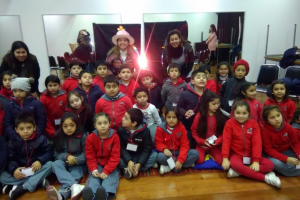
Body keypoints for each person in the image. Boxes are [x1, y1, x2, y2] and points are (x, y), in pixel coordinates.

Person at [222, 101, 281, 188]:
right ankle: (266, 178)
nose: (241, 116)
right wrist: (225, 158)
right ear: (233, 112)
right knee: (236, 164)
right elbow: (226, 141)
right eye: (238, 113)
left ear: (249, 113)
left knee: (270, 165)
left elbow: (257, 143)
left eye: (244, 113)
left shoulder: (253, 124)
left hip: (251, 155)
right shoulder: (229, 123)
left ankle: (240, 172)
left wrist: (256, 161)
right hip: (236, 155)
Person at [0, 112, 53, 199]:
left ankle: (22, 187)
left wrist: (39, 160)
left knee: (51, 165)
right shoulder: (12, 141)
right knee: (2, 177)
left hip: (36, 169)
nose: (25, 131)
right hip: (22, 171)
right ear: (16, 130)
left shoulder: (41, 138)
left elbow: (49, 152)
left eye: (29, 128)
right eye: (21, 129)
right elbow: (10, 159)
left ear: (34, 127)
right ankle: (38, 181)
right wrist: (14, 170)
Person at [46, 113, 87, 200]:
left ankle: (61, 196)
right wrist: (67, 156)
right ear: (61, 126)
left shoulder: (83, 135)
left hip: (78, 163)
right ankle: (74, 185)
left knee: (75, 175)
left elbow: (87, 153)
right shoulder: (58, 136)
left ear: (77, 125)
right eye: (65, 126)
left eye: (72, 125)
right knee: (55, 164)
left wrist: (76, 160)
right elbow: (57, 154)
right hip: (65, 161)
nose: (69, 128)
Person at [83, 113, 120, 200]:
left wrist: (106, 171)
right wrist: (93, 169)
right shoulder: (90, 138)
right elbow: (90, 156)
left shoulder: (115, 137)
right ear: (95, 125)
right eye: (99, 123)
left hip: (110, 165)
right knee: (94, 178)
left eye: (105, 123)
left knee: (110, 179)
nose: (103, 126)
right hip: (96, 164)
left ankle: (105, 195)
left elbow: (115, 156)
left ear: (109, 124)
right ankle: (91, 195)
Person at [155, 108, 199, 174]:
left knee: (195, 153)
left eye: (174, 117)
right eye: (169, 117)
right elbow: (158, 142)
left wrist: (180, 160)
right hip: (168, 153)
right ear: (165, 117)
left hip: (179, 151)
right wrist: (164, 149)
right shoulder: (160, 128)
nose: (171, 120)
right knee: (160, 157)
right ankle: (180, 167)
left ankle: (169, 167)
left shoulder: (182, 128)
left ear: (178, 118)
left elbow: (184, 145)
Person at [117, 108, 158, 179]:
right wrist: (129, 160)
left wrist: (139, 164)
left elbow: (147, 149)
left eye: (126, 118)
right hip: (127, 155)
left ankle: (132, 169)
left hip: (140, 155)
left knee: (155, 156)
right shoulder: (121, 130)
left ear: (134, 123)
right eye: (124, 116)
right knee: (118, 161)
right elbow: (121, 148)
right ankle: (134, 168)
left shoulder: (145, 131)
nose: (122, 119)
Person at [3, 75, 47, 139]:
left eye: (21, 91)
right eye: (15, 91)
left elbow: (41, 121)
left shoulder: (36, 104)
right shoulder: (10, 105)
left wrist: (35, 134)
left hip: (35, 138)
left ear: (27, 91)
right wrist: (14, 135)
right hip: (16, 138)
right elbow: (7, 123)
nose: (17, 93)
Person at [262, 105, 300, 177]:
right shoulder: (265, 131)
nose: (277, 119)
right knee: (276, 164)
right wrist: (286, 159)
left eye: (278, 115)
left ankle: (293, 169)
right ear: (267, 120)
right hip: (273, 155)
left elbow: (295, 142)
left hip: (288, 151)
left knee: (293, 161)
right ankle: (292, 169)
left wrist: (298, 154)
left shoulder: (287, 126)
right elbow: (269, 150)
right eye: (272, 118)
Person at [191, 90, 226, 165]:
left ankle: (210, 153)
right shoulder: (199, 116)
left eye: (217, 103)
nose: (216, 106)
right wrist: (201, 141)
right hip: (202, 144)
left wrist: (218, 141)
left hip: (215, 145)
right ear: (206, 104)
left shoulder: (220, 116)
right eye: (214, 104)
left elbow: (225, 132)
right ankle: (206, 153)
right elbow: (193, 131)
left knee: (221, 161)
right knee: (199, 161)